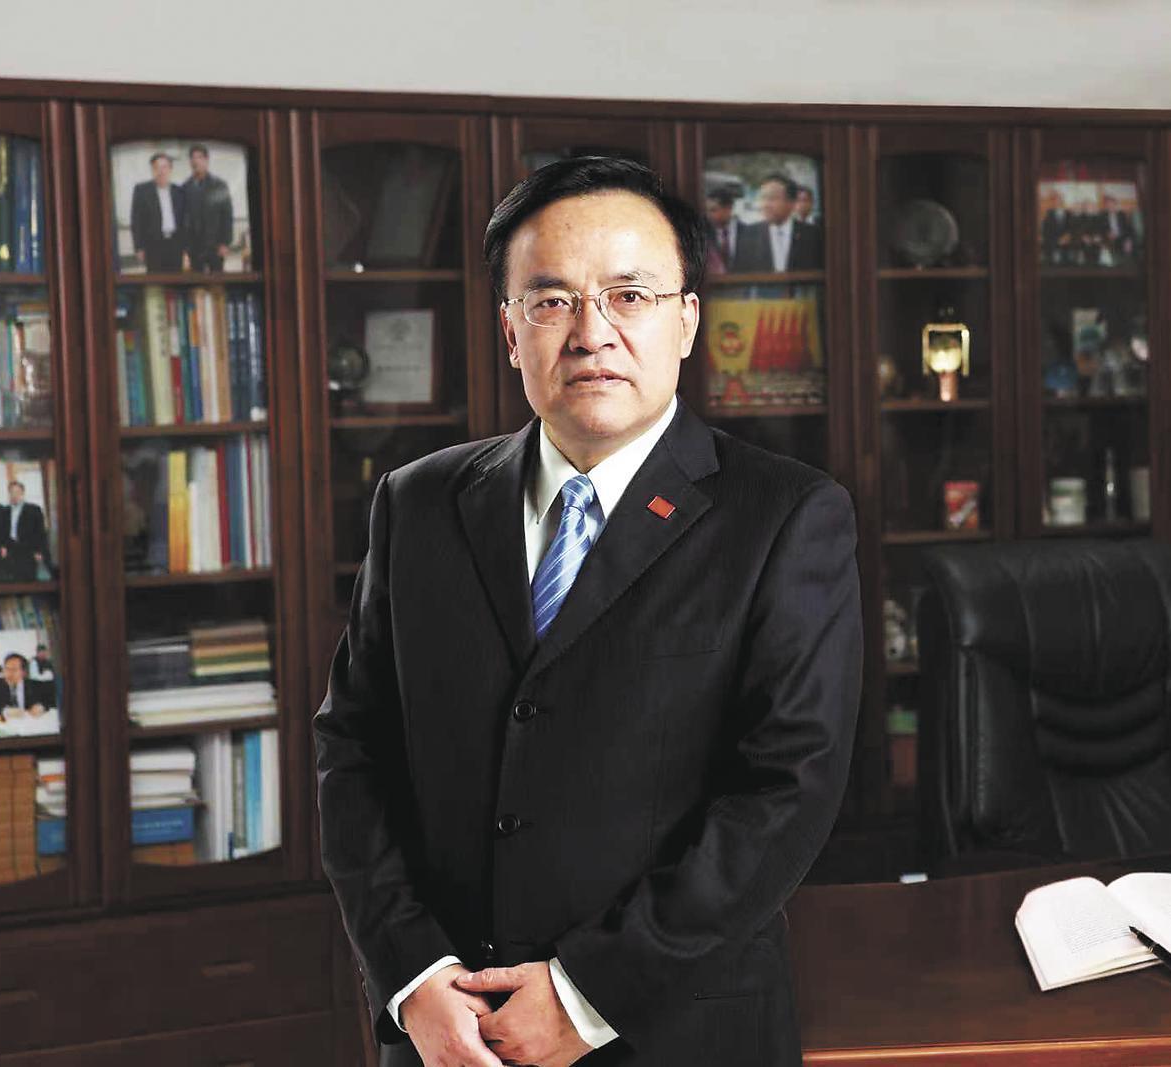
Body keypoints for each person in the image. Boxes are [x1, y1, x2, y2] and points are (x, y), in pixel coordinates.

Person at [314, 156, 861, 1067]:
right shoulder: (418, 504)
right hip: (449, 1033)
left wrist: (584, 994)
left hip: (673, 1028)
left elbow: (784, 792)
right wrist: (412, 975)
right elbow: (354, 749)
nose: (591, 333)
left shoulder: (786, 516)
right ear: (510, 329)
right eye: (552, 300)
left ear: (687, 321)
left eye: (630, 296)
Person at [730, 173, 823, 272]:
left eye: (771, 198)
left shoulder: (814, 235)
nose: (765, 205)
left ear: (791, 203)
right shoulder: (747, 235)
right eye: (762, 198)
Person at [129, 152, 187, 272]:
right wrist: (138, 247)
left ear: (170, 169)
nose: (161, 171)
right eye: (157, 167)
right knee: (155, 279)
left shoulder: (179, 191)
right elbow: (136, 221)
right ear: (152, 170)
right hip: (153, 246)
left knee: (176, 279)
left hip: (176, 244)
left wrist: (187, 249)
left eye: (164, 167)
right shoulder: (141, 191)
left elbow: (185, 220)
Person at [182, 144, 234, 272]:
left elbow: (227, 215)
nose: (196, 161)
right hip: (194, 247)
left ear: (206, 160)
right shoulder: (185, 187)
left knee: (217, 281)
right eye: (193, 158)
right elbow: (183, 218)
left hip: (215, 245)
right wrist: (184, 248)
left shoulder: (219, 185)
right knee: (196, 281)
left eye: (199, 157)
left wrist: (225, 243)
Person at [0, 480, 49, 581]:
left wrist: (39, 551)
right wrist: (3, 546)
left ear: (22, 493)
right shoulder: (4, 510)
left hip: (28, 550)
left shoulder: (34, 509)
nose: (14, 495)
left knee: (29, 578)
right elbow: (1, 531)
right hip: (11, 549)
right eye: (12, 492)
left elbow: (40, 532)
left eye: (17, 492)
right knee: (12, 578)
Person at [0, 653, 53, 719]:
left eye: (14, 669)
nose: (9, 673)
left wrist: (41, 707)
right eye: (7, 669)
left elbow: (49, 701)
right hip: (6, 724)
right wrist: (5, 712)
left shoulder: (35, 685)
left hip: (29, 723)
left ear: (23, 672)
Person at [704, 189, 739, 274]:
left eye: (713, 210)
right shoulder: (705, 234)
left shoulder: (749, 233)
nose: (708, 215)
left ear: (728, 209)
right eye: (707, 210)